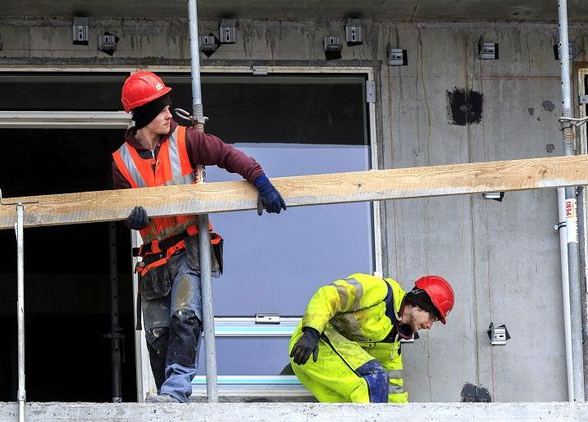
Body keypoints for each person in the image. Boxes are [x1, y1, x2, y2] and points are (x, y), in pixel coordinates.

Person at [113, 71, 287, 403]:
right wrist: (131, 220)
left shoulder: (186, 140)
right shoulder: (121, 162)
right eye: (162, 109)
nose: (168, 114)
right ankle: (167, 395)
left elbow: (227, 155)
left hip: (188, 247)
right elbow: (122, 213)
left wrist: (260, 180)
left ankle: (176, 390)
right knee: (156, 333)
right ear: (145, 116)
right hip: (151, 259)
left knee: (185, 314)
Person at [289, 273, 454, 403]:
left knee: (357, 405)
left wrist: (401, 415)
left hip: (330, 362)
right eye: (431, 317)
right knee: (374, 378)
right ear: (419, 304)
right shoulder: (380, 291)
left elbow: (393, 385)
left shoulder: (393, 338)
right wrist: (311, 332)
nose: (429, 326)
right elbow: (329, 295)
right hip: (311, 346)